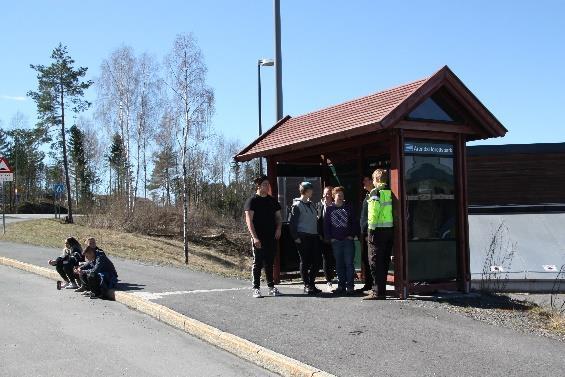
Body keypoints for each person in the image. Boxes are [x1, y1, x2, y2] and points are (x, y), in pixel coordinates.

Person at [244, 175, 282, 298]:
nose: (267, 186)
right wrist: (255, 237)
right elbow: (249, 221)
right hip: (258, 237)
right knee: (258, 263)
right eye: (265, 184)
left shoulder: (272, 201)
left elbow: (279, 217)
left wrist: (279, 229)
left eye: (268, 184)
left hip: (271, 236)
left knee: (270, 262)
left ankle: (271, 287)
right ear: (259, 186)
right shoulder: (252, 201)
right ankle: (256, 288)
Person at [363, 169, 394, 300]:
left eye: (373, 179)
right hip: (389, 230)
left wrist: (370, 230)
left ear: (376, 179)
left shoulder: (375, 192)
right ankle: (381, 290)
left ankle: (377, 292)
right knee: (385, 262)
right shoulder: (391, 191)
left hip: (377, 231)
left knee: (374, 261)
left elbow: (373, 213)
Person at [289, 181, 322, 295]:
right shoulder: (297, 205)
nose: (312, 191)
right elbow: (292, 223)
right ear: (306, 191)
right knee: (305, 261)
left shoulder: (311, 204)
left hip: (313, 236)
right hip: (302, 236)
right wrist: (295, 237)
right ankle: (307, 285)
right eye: (311, 189)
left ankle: (311, 283)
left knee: (317, 261)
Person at [324, 186, 357, 294]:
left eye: (342, 195)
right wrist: (330, 238)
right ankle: (341, 286)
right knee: (339, 265)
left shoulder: (349, 207)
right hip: (336, 242)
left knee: (349, 264)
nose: (341, 197)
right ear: (334, 196)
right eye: (339, 195)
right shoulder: (329, 210)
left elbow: (354, 222)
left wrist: (352, 235)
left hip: (348, 241)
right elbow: (326, 225)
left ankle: (350, 287)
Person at [317, 186, 336, 292]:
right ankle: (329, 280)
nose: (326, 195)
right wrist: (320, 235)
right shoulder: (319, 206)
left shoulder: (336, 205)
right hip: (323, 237)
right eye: (324, 193)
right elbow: (317, 221)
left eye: (328, 193)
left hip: (336, 238)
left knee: (335, 259)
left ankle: (339, 279)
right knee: (326, 259)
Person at [358, 175, 374, 292]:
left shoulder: (374, 195)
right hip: (364, 233)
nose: (363, 181)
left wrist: (369, 233)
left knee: (370, 259)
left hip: (370, 233)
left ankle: (372, 284)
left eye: (366, 179)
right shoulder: (367, 195)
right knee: (365, 259)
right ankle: (368, 284)